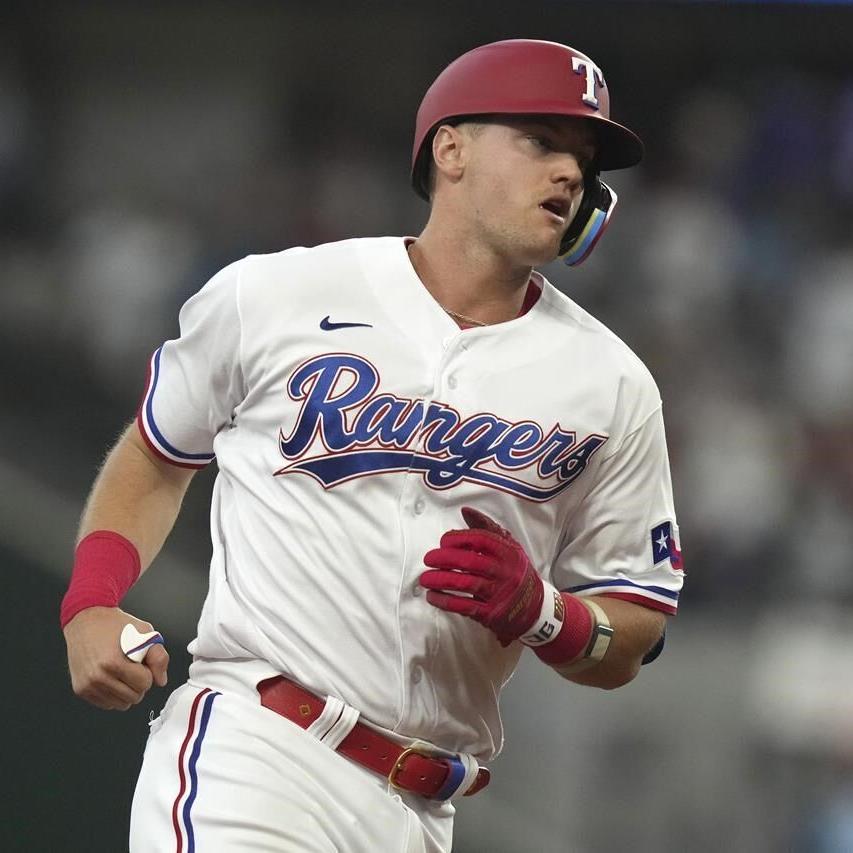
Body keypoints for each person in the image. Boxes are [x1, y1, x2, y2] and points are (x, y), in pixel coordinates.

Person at [61, 38, 684, 852]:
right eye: (541, 140)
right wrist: (91, 602)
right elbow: (156, 455)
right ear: (449, 149)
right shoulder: (277, 294)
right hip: (258, 752)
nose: (570, 172)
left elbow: (633, 626)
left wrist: (546, 613)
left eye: (584, 155)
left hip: (423, 809)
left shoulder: (611, 382)